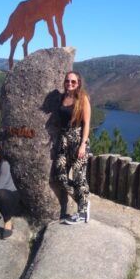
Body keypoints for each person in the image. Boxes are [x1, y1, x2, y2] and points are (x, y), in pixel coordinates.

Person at [55, 71, 91, 224]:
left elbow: (87, 123)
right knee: (60, 174)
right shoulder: (62, 98)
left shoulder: (82, 99)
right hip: (64, 141)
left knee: (78, 177)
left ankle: (82, 213)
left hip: (78, 141)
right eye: (67, 81)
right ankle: (83, 203)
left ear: (78, 83)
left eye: (73, 82)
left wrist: (83, 145)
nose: (70, 84)